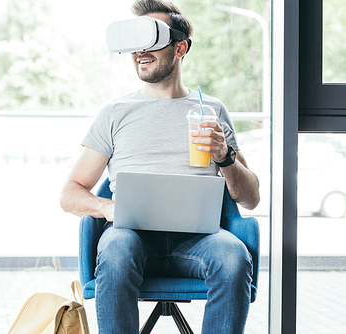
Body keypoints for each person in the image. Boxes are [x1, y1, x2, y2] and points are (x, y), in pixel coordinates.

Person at [60, 0, 260, 333]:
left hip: (200, 241)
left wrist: (224, 158)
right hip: (131, 237)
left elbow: (250, 198)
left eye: (152, 40)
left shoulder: (210, 110)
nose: (140, 52)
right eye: (135, 44)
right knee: (117, 251)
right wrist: (109, 207)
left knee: (233, 257)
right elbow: (69, 194)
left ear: (180, 47)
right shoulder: (115, 113)